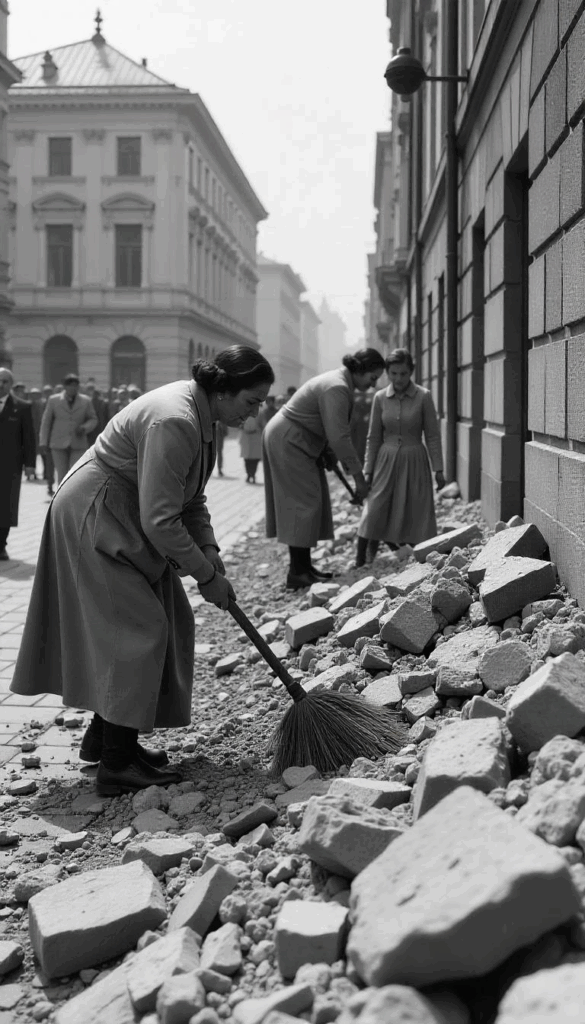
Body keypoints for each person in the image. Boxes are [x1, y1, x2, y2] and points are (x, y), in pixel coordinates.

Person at [10, 345, 275, 794]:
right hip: (96, 513)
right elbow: (162, 520)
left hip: (124, 511)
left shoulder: (202, 417)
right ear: (224, 390)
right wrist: (206, 578)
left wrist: (208, 549)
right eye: (250, 402)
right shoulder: (175, 420)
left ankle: (108, 738)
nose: (252, 416)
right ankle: (116, 765)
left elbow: (191, 498)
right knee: (135, 628)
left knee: (165, 616)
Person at [263, 348, 385, 589]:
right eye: (372, 378)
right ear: (360, 370)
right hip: (290, 439)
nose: (372, 385)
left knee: (309, 500)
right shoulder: (337, 387)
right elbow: (340, 436)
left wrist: (327, 453)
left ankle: (304, 567)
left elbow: (328, 428)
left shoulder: (339, 383)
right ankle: (297, 572)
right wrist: (359, 478)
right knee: (303, 502)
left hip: (297, 438)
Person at [355, 348, 445, 567]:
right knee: (375, 507)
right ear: (387, 373)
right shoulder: (379, 398)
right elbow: (373, 437)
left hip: (415, 458)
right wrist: (368, 471)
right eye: (393, 373)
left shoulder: (423, 396)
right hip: (385, 460)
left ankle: (419, 559)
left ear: (411, 372)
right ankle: (362, 560)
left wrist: (439, 469)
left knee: (416, 506)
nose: (398, 379)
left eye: (403, 373)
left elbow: (432, 436)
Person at [0, 368, 36, 561]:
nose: (1, 384)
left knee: (6, 505)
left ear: (11, 384)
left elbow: (29, 437)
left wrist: (30, 464)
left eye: (5, 381)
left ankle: (1, 545)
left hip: (9, 465)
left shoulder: (22, 406)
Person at [39, 373, 98, 484]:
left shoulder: (85, 401)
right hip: (58, 443)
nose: (73, 388)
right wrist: (43, 441)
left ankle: (76, 500)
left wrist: (85, 428)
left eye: (75, 385)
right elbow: (46, 422)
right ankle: (61, 500)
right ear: (64, 386)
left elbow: (93, 419)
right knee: (62, 474)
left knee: (76, 473)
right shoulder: (54, 400)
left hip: (78, 442)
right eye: (70, 385)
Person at [83, 380, 109, 446]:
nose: (94, 394)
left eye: (96, 393)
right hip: (91, 429)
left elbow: (106, 416)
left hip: (100, 426)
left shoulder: (103, 403)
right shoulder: (87, 401)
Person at [239, 414, 262, 483]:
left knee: (255, 459)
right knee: (247, 458)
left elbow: (262, 424)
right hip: (246, 437)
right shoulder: (243, 411)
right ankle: (248, 474)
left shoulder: (259, 413)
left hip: (256, 436)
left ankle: (253, 474)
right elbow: (239, 424)